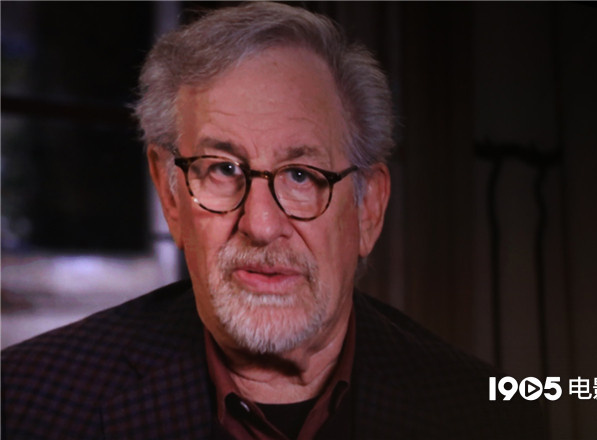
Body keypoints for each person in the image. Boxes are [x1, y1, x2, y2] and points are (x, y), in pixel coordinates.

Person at [2, 3, 545, 439]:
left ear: (368, 209)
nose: (260, 225)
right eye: (222, 169)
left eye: (302, 176)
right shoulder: (24, 403)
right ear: (171, 196)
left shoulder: (487, 416)